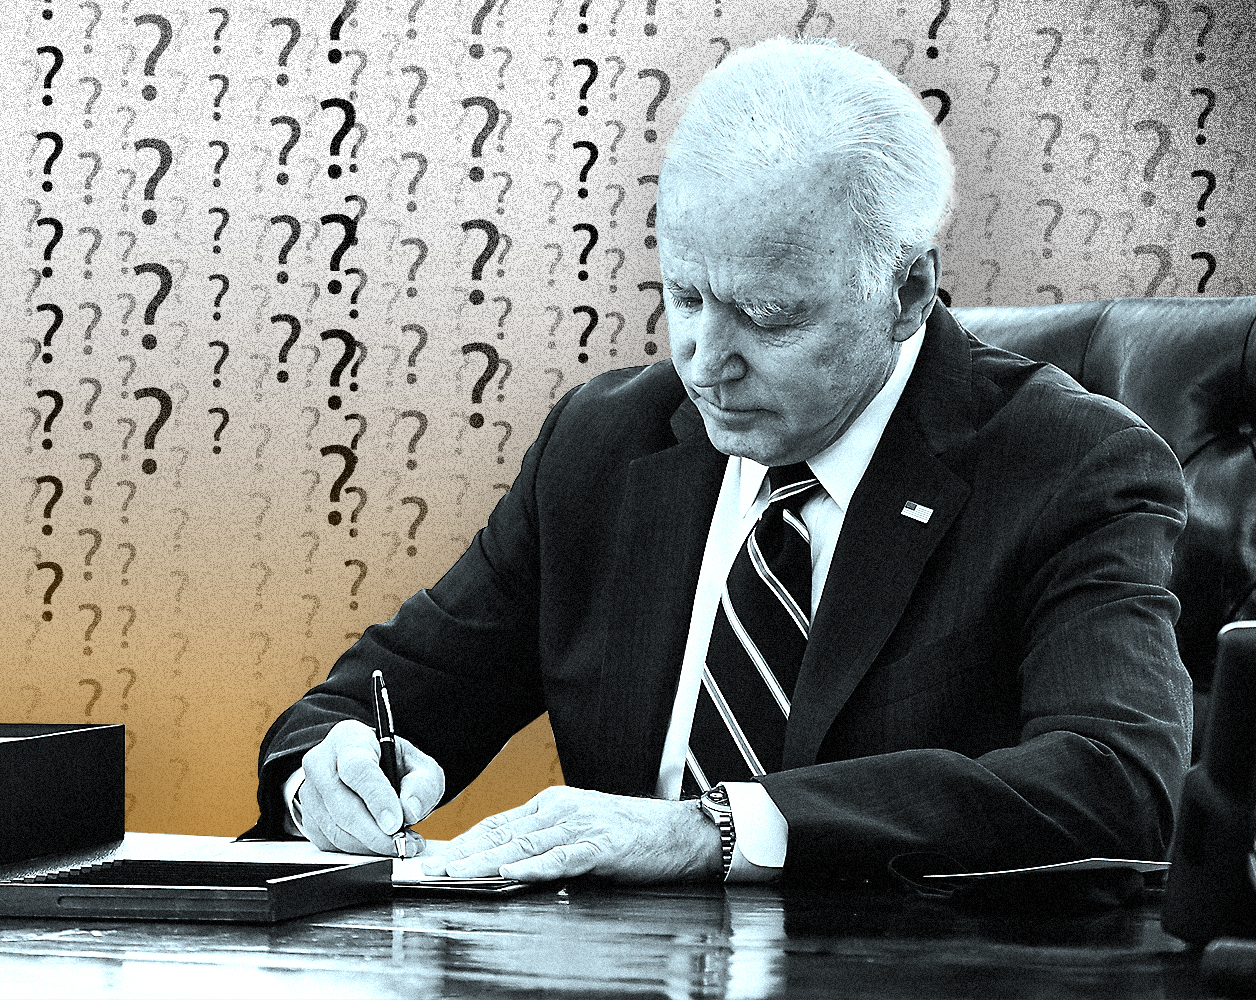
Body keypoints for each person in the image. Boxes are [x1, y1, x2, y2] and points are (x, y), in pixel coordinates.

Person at [248, 36, 1192, 884]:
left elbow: (1115, 783)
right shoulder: (603, 443)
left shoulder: (1072, 467)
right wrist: (324, 774)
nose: (705, 361)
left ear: (907, 293)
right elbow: (374, 699)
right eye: (686, 297)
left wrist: (717, 830)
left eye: (769, 318)